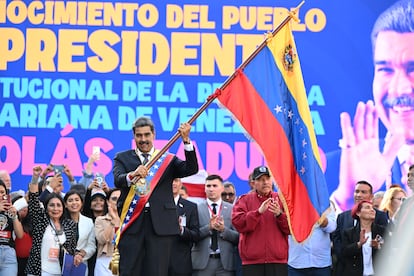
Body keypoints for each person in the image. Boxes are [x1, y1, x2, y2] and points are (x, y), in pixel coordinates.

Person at [329, 0, 414, 213]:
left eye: (412, 68)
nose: (400, 88)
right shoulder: (332, 171)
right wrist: (350, 199)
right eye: (386, 70)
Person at [112, 116, 199, 276]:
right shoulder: (122, 157)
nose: (143, 139)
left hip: (161, 226)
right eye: (139, 135)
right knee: (129, 270)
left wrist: (186, 141)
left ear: (154, 135)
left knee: (157, 271)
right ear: (134, 136)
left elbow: (191, 169)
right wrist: (132, 175)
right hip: (133, 223)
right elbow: (118, 179)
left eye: (147, 135)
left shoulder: (167, 159)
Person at [232, 166, 290, 276]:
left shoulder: (282, 200)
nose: (265, 182)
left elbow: (291, 229)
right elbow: (238, 223)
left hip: (277, 261)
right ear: (253, 183)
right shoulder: (244, 200)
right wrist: (257, 212)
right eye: (260, 179)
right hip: (252, 262)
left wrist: (279, 214)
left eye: (267, 178)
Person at [26, 165, 77, 275]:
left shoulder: (70, 225)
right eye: (51, 205)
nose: (55, 209)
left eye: (59, 205)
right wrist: (35, 177)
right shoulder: (41, 221)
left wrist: (79, 255)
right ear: (46, 207)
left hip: (60, 272)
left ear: (63, 208)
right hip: (38, 271)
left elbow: (72, 250)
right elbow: (34, 200)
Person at [331, 180, 388, 276]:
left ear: (371, 197)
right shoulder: (342, 217)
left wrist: (378, 245)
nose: (359, 195)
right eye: (356, 191)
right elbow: (338, 242)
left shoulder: (380, 216)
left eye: (363, 192)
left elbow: (387, 242)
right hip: (348, 269)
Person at [191, 174, 239, 276]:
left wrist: (223, 230)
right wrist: (208, 227)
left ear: (222, 188)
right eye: (208, 186)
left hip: (225, 264)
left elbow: (239, 237)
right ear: (204, 189)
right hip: (202, 263)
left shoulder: (232, 209)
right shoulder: (195, 209)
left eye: (214, 186)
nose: (211, 189)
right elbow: (191, 235)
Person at [342, 201, 388, 276]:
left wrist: (378, 246)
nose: (372, 210)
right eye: (367, 207)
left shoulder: (382, 231)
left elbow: (389, 250)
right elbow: (344, 252)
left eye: (373, 208)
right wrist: (359, 244)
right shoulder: (349, 233)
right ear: (358, 213)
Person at [288, 208, 336, 276]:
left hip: (321, 264)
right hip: (297, 263)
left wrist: (320, 218)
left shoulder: (325, 203)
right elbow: (286, 226)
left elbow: (332, 227)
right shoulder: (292, 202)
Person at [168, 178, 200, 276]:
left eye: (176, 180)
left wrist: (181, 230)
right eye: (171, 180)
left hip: (181, 264)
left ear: (181, 184)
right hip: (159, 262)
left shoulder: (191, 207)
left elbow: (196, 235)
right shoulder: (156, 205)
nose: (173, 183)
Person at [64, 190, 97, 275]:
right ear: (65, 205)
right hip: (62, 263)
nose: (74, 203)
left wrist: (82, 254)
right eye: (70, 200)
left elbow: (91, 245)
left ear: (82, 203)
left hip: (80, 264)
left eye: (77, 200)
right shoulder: (60, 221)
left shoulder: (88, 222)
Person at [94, 188, 121, 276]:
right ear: (108, 202)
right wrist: (113, 221)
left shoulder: (129, 219)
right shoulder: (100, 219)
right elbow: (102, 240)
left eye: (120, 198)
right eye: (114, 199)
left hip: (125, 259)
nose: (117, 201)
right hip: (105, 260)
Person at [0, 179, 23, 275]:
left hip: (8, 252)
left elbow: (20, 235)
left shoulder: (11, 209)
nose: (0, 195)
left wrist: (15, 216)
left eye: (2, 192)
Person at [12, 195, 32, 276]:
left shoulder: (31, 222)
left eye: (26, 206)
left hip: (29, 262)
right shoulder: (9, 222)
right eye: (21, 206)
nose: (24, 208)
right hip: (13, 260)